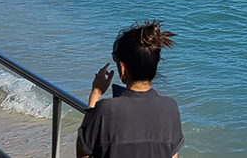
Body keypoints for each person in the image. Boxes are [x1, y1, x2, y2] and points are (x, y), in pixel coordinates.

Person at [76, 22, 182, 158]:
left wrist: (95, 95)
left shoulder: (106, 109)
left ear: (122, 68)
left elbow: (83, 154)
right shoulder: (170, 108)